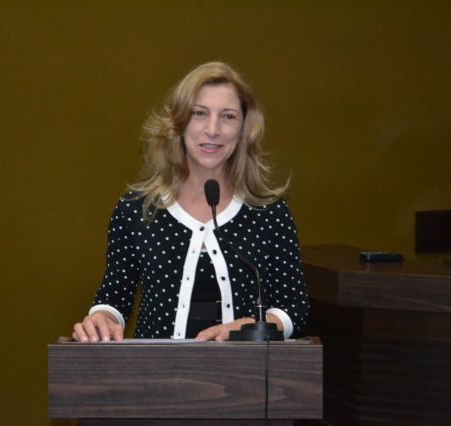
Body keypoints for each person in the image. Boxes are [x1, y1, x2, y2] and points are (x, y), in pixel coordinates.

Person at [72, 62, 309, 342]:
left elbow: (294, 307)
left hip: (245, 369)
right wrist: (101, 318)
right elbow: (114, 298)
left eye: (228, 116)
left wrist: (251, 326)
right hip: (155, 369)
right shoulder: (136, 209)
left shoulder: (269, 212)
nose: (213, 129)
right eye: (199, 113)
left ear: (243, 129)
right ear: (179, 123)